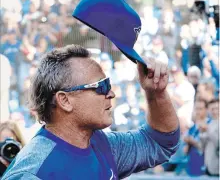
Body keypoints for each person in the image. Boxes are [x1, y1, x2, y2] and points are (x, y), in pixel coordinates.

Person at [2, 44, 180, 179]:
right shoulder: (33, 172)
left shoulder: (104, 144)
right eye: (101, 86)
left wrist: (156, 93)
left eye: (108, 85)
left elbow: (160, 143)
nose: (111, 93)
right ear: (65, 100)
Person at [199, 98, 219, 176]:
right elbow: (202, 147)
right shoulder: (210, 123)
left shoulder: (209, 126)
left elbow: (218, 144)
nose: (214, 111)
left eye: (217, 108)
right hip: (208, 166)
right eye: (212, 109)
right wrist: (202, 133)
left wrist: (207, 130)